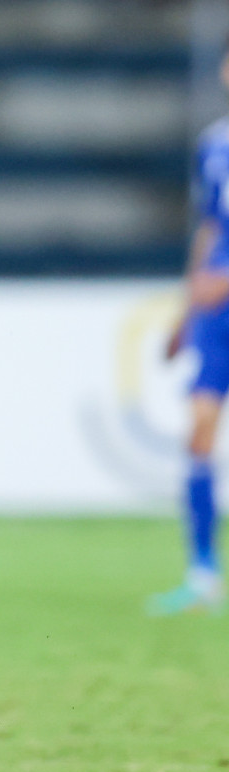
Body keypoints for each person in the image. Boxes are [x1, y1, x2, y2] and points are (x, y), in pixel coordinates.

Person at [153, 49, 229, 615]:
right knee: (199, 429)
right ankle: (203, 573)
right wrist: (186, 308)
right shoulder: (216, 144)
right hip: (215, 315)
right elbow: (209, 228)